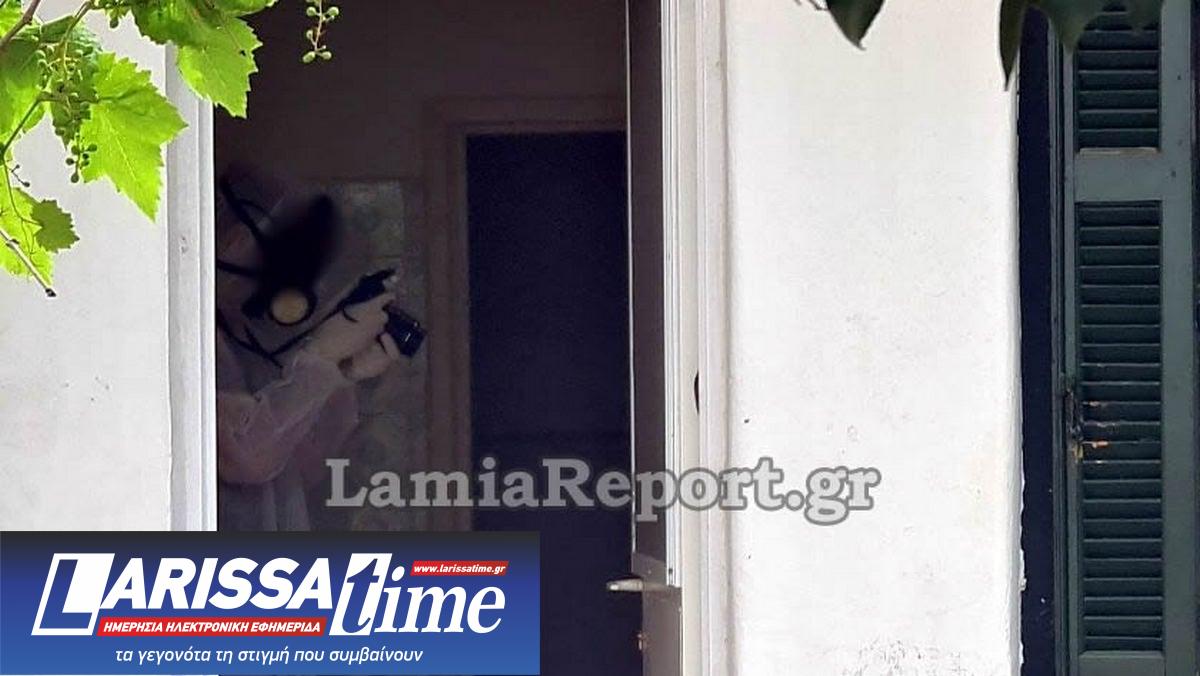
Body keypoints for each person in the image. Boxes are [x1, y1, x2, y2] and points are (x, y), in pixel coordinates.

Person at [214, 172, 400, 531]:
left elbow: (302, 465)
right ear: (235, 239)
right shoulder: (190, 342)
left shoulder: (246, 338)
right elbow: (247, 456)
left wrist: (344, 374)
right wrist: (322, 357)